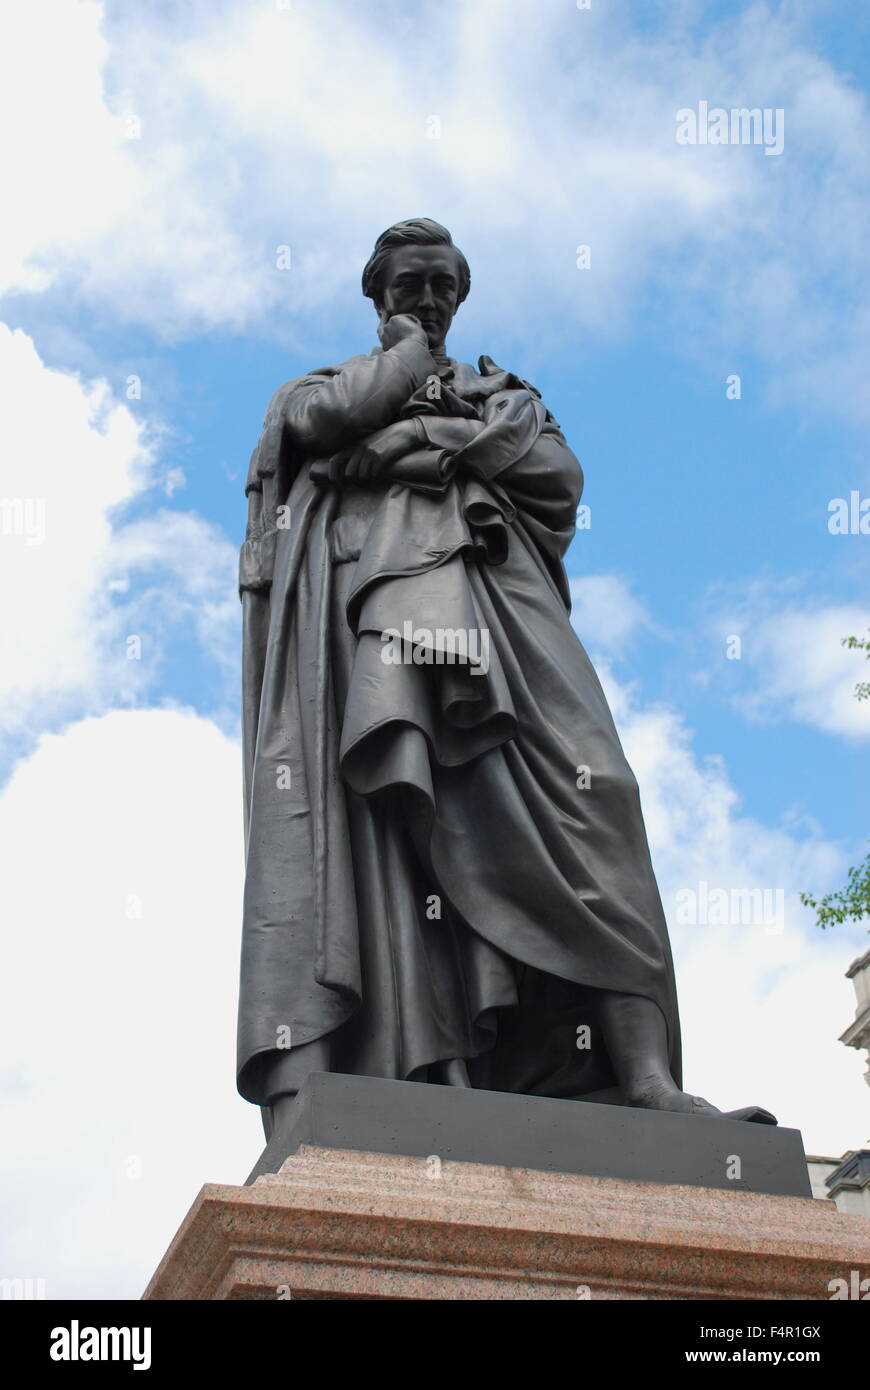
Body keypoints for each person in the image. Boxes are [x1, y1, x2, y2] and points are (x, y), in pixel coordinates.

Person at [237, 218, 773, 1139]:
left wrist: (425, 447)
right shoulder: (324, 385)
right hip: (393, 616)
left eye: (443, 284)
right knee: (417, 819)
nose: (429, 298)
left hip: (509, 608)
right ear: (379, 294)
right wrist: (410, 371)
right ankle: (431, 1061)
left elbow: (556, 479)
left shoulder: (507, 392)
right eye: (410, 283)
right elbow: (323, 427)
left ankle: (643, 1075)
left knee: (600, 793)